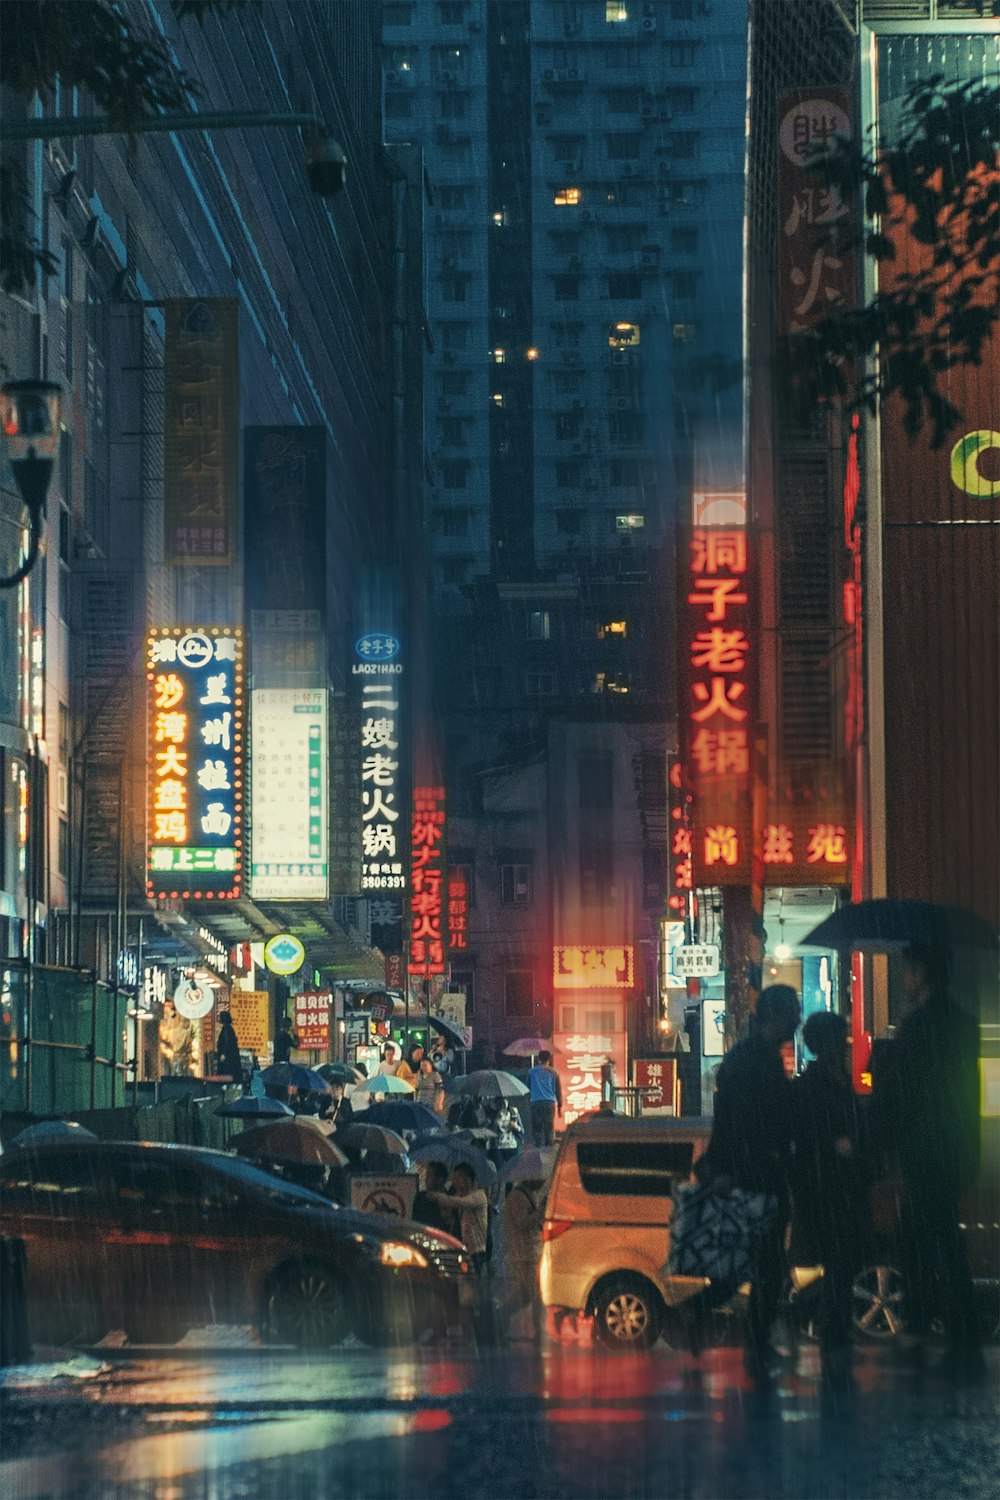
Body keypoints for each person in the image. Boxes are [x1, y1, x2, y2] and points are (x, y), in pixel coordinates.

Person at [871, 943, 983, 1379]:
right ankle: (963, 1337)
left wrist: (881, 1143)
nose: (904, 979)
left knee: (916, 1244)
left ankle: (918, 1331)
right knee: (947, 1245)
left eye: (908, 971)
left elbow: (897, 1097)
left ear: (922, 974)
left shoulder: (916, 1029)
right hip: (955, 1151)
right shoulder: (964, 1025)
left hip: (921, 1152)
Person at [695, 983, 801, 1382]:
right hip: (753, 1176)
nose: (798, 1020)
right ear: (778, 1015)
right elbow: (745, 1124)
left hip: (748, 1174)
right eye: (793, 1011)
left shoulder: (752, 1057)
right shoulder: (755, 1061)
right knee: (762, 1263)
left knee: (751, 1264)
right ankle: (747, 1338)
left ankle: (721, 1323)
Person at [791, 1011, 871, 1379]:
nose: (847, 1044)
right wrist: (839, 1146)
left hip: (831, 1189)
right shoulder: (820, 1085)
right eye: (842, 1038)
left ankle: (829, 1327)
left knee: (841, 1263)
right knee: (840, 1262)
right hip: (830, 1190)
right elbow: (816, 1139)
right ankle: (831, 1332)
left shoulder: (823, 1083)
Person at [503, 1176, 545, 1340]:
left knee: (524, 1294)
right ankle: (538, 1330)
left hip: (530, 1252)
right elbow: (522, 1223)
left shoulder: (526, 1194)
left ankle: (502, 1316)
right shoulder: (517, 1196)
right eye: (540, 1178)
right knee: (536, 1294)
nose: (542, 1182)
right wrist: (540, 1211)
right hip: (525, 1254)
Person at [527, 1051, 562, 1147]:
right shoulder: (554, 1073)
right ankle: (549, 1150)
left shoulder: (531, 1072)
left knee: (537, 1128)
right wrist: (559, 1107)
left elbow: (528, 1087)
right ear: (549, 1059)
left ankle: (537, 1150)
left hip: (536, 1102)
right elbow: (558, 1091)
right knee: (549, 1129)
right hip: (549, 1103)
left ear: (539, 1059)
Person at [413, 1160, 453, 1234]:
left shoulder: (450, 1198)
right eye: (426, 1175)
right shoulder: (421, 1197)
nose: (426, 1178)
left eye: (430, 1175)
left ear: (440, 1179)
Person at [158, 999, 192, 1077]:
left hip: (171, 1053)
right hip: (171, 1052)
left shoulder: (173, 1019)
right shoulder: (170, 1017)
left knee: (172, 1072)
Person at [214, 1010, 243, 1085]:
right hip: (231, 1057)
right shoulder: (229, 1028)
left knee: (226, 1074)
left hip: (228, 1058)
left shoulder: (226, 1029)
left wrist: (223, 1053)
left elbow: (226, 1043)